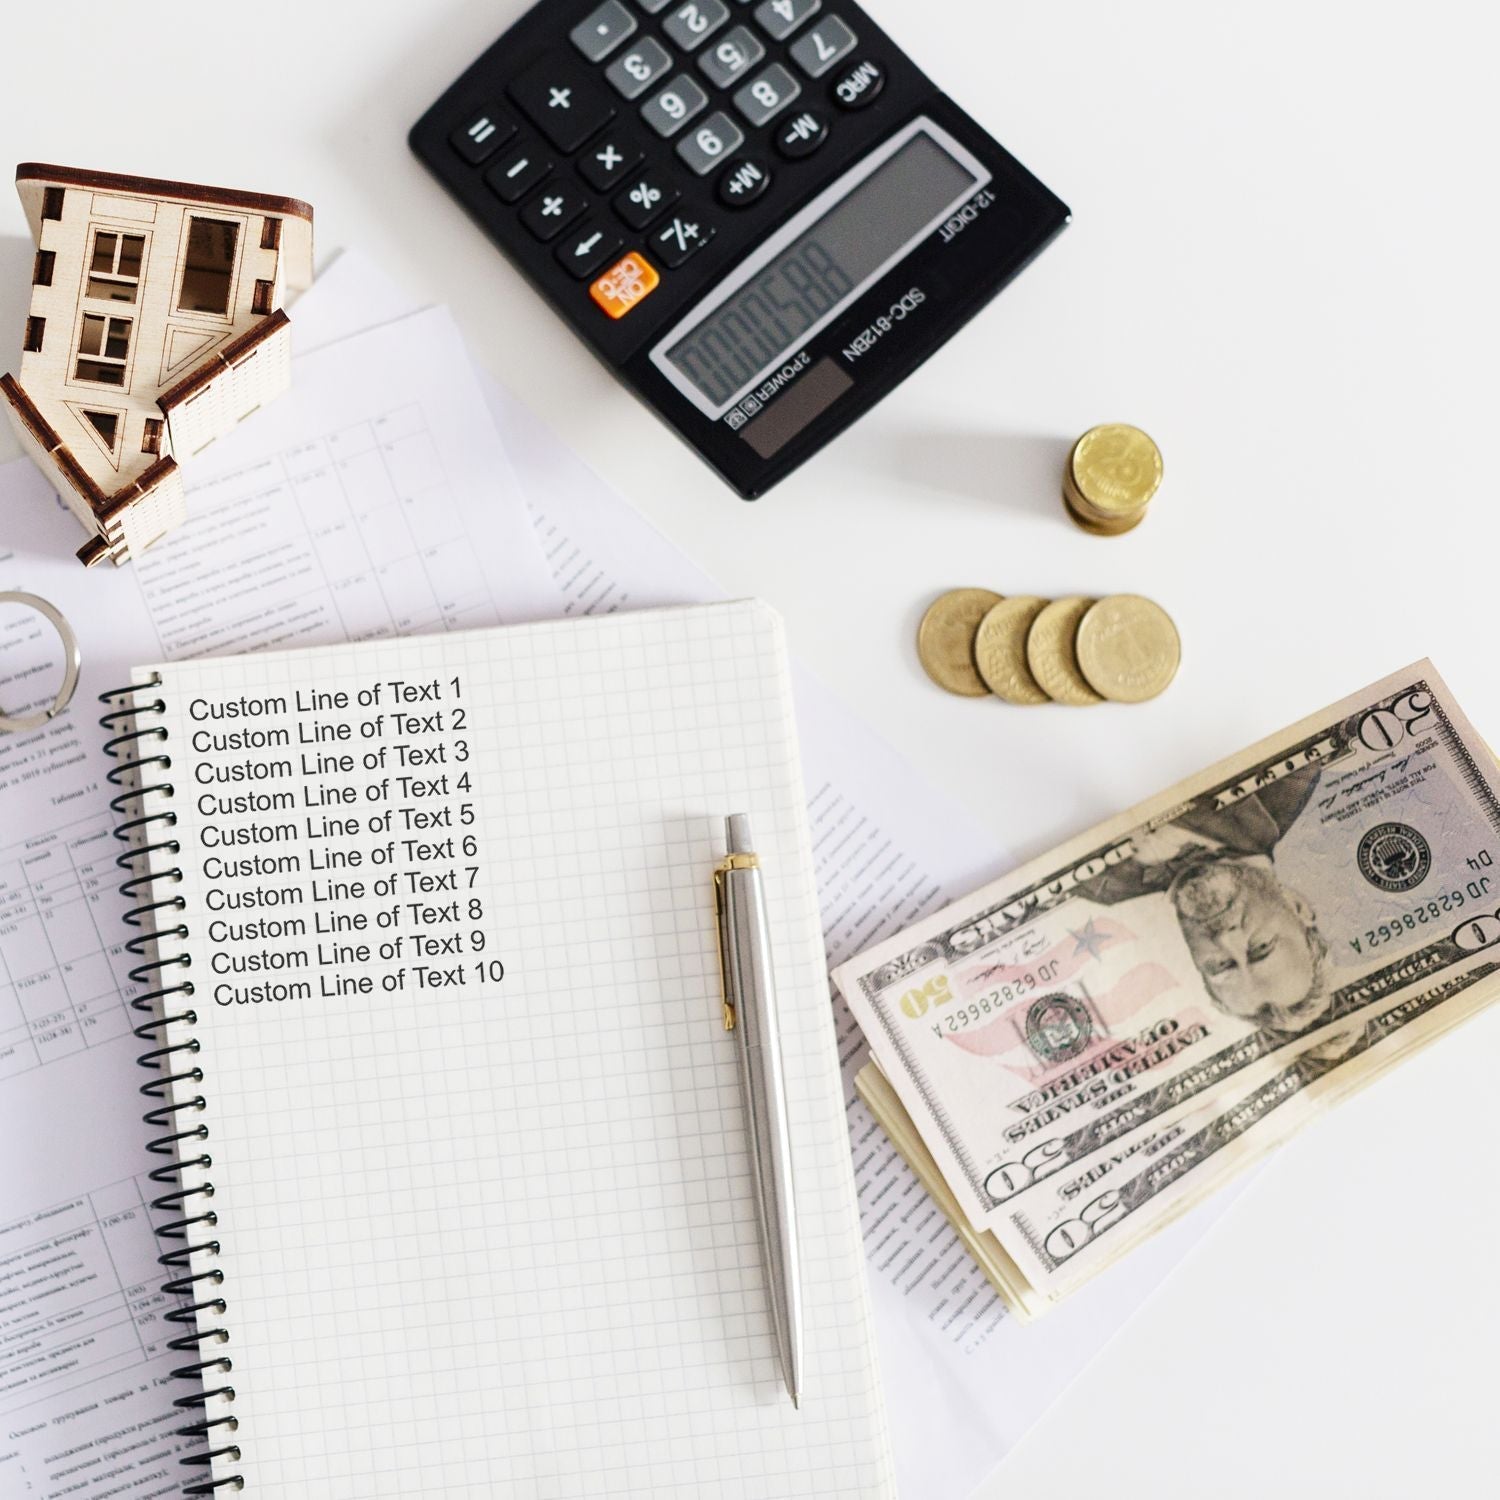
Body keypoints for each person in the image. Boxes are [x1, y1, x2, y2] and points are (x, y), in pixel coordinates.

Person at [1074, 763, 1336, 1036]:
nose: (1225, 939)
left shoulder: (1093, 887)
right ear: (1296, 906)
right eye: (1260, 947)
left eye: (1220, 965)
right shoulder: (1290, 778)